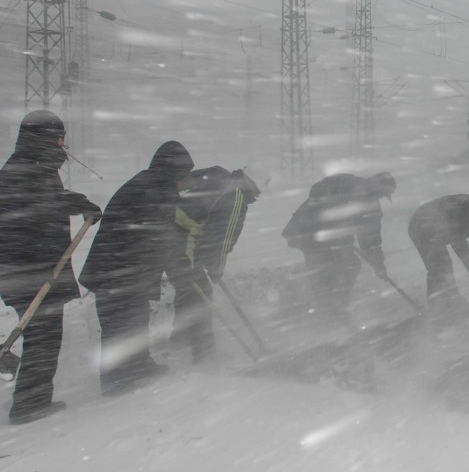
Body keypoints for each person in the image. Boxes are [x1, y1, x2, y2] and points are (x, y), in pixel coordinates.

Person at [0, 111, 102, 424]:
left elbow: (46, 199)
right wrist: (74, 203)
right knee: (43, 336)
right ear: (44, 139)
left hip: (30, 268)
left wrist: (75, 201)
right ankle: (30, 405)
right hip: (29, 270)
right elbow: (39, 205)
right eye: (58, 138)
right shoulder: (26, 170)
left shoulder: (31, 166)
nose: (63, 144)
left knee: (42, 334)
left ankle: (31, 400)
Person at [79, 141, 195, 396]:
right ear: (173, 172)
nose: (185, 183)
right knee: (119, 327)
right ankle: (115, 382)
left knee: (135, 322)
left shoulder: (151, 185)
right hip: (117, 270)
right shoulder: (155, 192)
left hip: (124, 268)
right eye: (184, 176)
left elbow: (160, 235)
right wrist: (181, 272)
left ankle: (139, 366)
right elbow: (161, 239)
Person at [167, 166, 260, 361]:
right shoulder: (236, 196)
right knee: (202, 296)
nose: (257, 196)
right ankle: (204, 355)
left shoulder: (217, 178)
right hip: (181, 247)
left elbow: (202, 218)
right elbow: (223, 240)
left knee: (189, 291)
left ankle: (180, 342)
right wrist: (217, 266)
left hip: (167, 239)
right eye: (257, 191)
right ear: (252, 183)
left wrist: (203, 258)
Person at [282, 172, 395, 321]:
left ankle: (338, 310)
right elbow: (316, 191)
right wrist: (332, 217)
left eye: (383, 195)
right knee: (323, 271)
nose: (380, 197)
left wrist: (379, 265)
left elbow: (371, 241)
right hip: (308, 231)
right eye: (382, 192)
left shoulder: (372, 208)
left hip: (330, 240)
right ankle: (325, 314)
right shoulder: (347, 182)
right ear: (377, 185)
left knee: (351, 265)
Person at [407, 192, 469, 306]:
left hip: (433, 227)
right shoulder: (456, 213)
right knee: (439, 267)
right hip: (421, 227)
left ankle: (452, 300)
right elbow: (460, 247)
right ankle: (438, 306)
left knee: (444, 265)